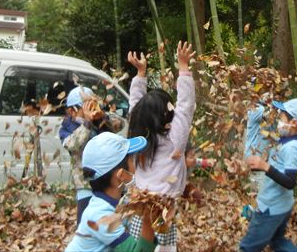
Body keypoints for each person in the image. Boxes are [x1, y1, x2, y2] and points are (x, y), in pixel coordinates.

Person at [126, 41, 196, 252]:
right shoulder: (175, 139)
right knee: (163, 249)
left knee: (141, 245)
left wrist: (140, 74)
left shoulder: (139, 138)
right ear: (168, 115)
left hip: (140, 206)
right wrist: (183, 68)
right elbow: (186, 106)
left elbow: (135, 106)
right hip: (163, 209)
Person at [239, 98, 297, 252]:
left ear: (294, 123)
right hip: (281, 205)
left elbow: (290, 181)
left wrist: (264, 166)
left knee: (247, 247)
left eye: (281, 118)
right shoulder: (287, 139)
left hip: (270, 207)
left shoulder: (292, 147)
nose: (278, 120)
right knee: (277, 242)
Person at [64, 132, 156, 252]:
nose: (136, 165)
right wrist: (149, 220)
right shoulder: (100, 216)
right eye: (132, 160)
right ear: (121, 175)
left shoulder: (116, 203)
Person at [60, 85, 126, 224]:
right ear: (72, 111)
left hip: (107, 180)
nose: (90, 110)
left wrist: (103, 116)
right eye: (84, 107)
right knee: (85, 222)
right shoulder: (66, 127)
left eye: (92, 105)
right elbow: (73, 145)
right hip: (85, 184)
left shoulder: (101, 122)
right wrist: (87, 124)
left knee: (111, 220)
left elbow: (120, 124)